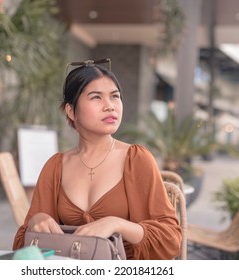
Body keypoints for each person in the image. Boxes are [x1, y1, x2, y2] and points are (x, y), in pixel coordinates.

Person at [13, 58, 182, 259]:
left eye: (115, 96)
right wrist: (37, 220)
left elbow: (170, 238)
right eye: (96, 97)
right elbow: (22, 248)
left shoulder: (136, 159)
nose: (110, 106)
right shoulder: (56, 166)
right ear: (71, 110)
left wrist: (116, 223)